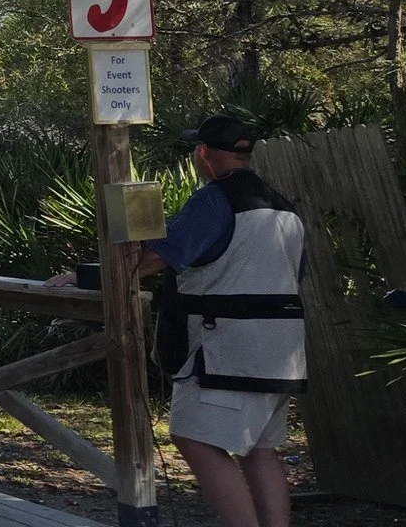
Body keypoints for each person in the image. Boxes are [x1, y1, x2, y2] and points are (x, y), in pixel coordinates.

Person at [49, 115, 306, 527]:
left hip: (226, 350)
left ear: (204, 154)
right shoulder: (282, 206)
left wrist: (83, 276)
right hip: (283, 350)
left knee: (194, 438)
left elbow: (148, 261)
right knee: (260, 447)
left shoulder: (214, 200)